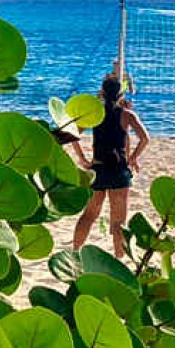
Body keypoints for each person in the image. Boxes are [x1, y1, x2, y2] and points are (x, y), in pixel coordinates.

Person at [71, 76, 150, 257]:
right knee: (118, 222)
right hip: (119, 172)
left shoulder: (95, 113)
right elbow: (145, 139)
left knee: (89, 215)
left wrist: (83, 159)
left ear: (102, 93)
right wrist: (133, 157)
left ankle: (75, 253)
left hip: (98, 169)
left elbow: (71, 134)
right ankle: (118, 259)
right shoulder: (127, 115)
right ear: (121, 94)